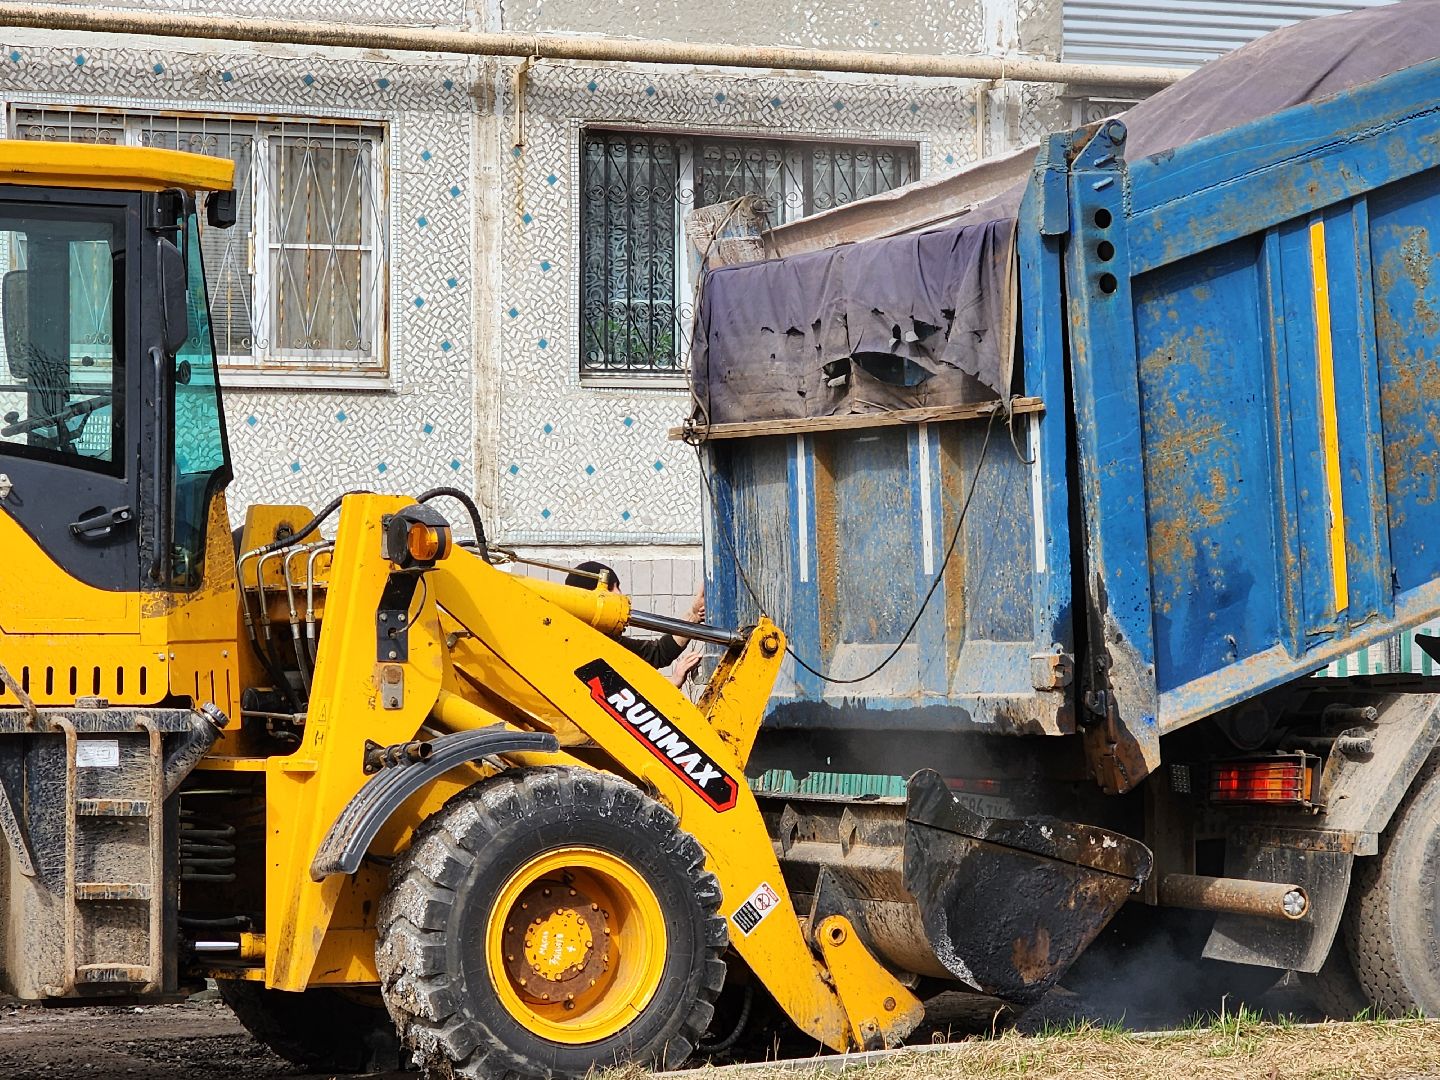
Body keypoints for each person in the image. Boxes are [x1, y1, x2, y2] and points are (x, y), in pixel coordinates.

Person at [564, 560, 705, 687]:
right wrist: (670, 684)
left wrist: (693, 615)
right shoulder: (580, 651)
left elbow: (657, 652)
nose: (621, 594)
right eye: (613, 588)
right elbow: (616, 693)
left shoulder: (606, 641)